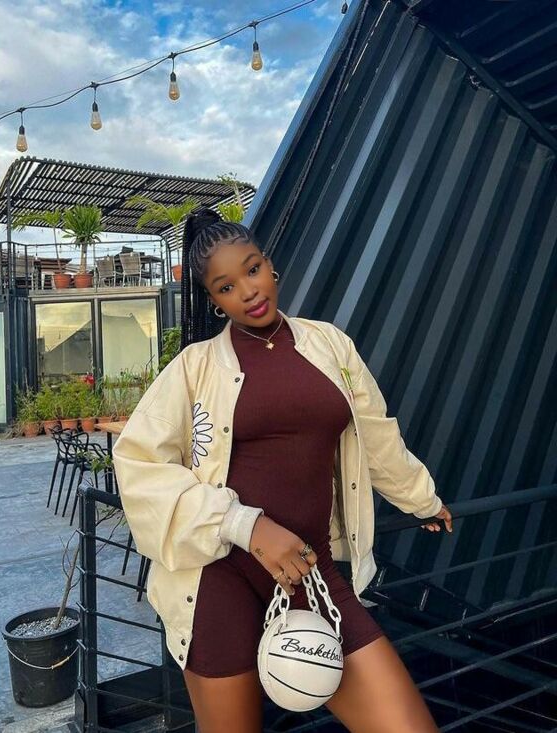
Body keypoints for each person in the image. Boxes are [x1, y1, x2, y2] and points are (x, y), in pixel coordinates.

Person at [113, 207, 453, 733]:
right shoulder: (195, 367)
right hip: (218, 574)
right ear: (215, 301)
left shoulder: (329, 345)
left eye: (252, 270)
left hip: (309, 571)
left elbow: (375, 435)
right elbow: (138, 464)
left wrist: (421, 499)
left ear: (270, 266)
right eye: (226, 287)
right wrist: (244, 525)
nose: (248, 291)